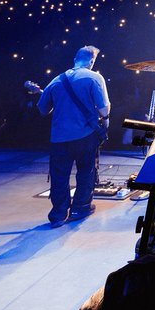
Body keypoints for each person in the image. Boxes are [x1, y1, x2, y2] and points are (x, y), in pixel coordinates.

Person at [38, 45, 110, 227]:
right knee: (86, 172)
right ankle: (80, 208)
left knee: (59, 175)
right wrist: (105, 122)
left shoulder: (56, 80)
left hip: (59, 139)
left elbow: (42, 109)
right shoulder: (94, 77)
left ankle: (58, 214)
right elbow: (103, 109)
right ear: (91, 61)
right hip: (85, 136)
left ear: (75, 59)